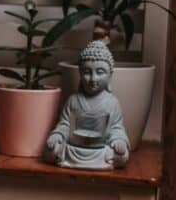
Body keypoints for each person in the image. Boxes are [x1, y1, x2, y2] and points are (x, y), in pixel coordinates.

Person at [44, 40, 131, 169]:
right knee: (51, 151)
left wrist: (119, 140)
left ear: (110, 75)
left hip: (100, 150)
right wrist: (58, 135)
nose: (93, 79)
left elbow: (116, 128)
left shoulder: (112, 103)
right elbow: (65, 124)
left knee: (121, 155)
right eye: (87, 72)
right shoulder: (73, 100)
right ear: (80, 73)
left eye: (100, 72)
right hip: (74, 148)